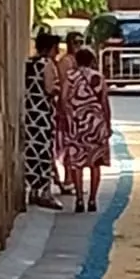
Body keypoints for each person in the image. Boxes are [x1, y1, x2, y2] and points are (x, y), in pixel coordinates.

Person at [61, 48, 112, 213]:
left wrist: (67, 117)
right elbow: (104, 102)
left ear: (76, 61)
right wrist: (108, 124)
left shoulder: (70, 77)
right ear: (91, 60)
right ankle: (92, 200)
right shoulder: (98, 77)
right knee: (95, 164)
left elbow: (63, 99)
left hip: (77, 123)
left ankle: (79, 199)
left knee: (77, 163)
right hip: (96, 124)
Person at [23, 32, 63, 209]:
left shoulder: (30, 63)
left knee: (32, 150)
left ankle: (32, 190)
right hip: (42, 112)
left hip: (30, 110)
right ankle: (44, 192)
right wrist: (58, 88)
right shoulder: (46, 64)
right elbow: (49, 88)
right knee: (44, 150)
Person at [54, 32, 86, 196]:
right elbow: (63, 86)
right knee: (68, 144)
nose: (79, 45)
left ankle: (71, 179)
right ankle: (68, 179)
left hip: (78, 108)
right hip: (67, 109)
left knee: (76, 145)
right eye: (76, 42)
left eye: (82, 42)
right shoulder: (66, 62)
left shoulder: (78, 61)